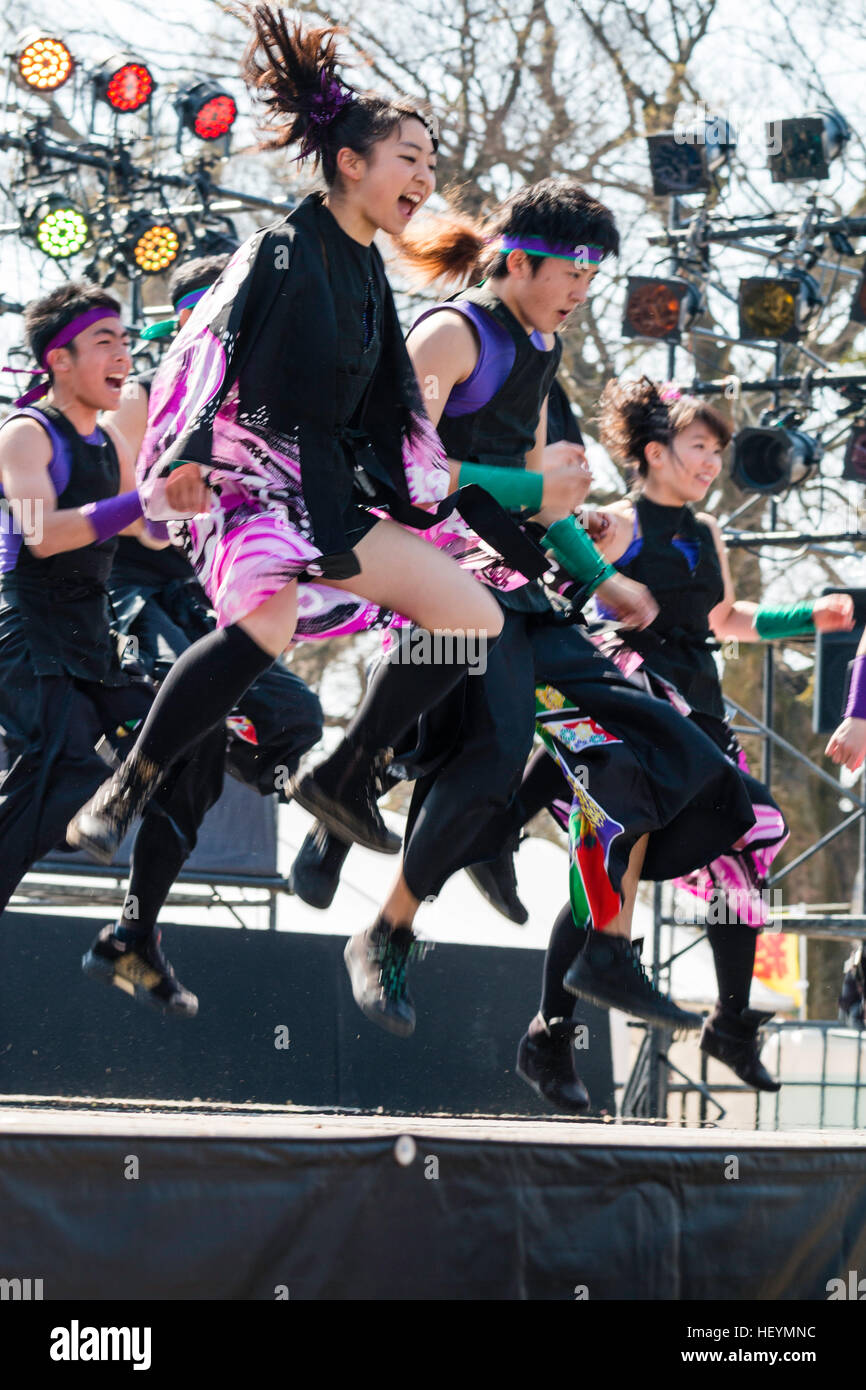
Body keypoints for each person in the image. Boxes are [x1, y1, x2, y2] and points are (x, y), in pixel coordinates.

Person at [68, 11, 571, 1005]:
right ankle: (126, 787)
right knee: (266, 622)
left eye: (432, 162)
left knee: (468, 614)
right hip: (253, 482)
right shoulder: (284, 249)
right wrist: (177, 456)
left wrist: (474, 515)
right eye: (408, 157)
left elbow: (394, 413)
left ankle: (343, 773)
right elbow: (208, 352)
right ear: (347, 160)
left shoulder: (371, 278)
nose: (424, 177)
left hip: (333, 501)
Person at [293, 181, 759, 1043]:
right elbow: (403, 477)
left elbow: (544, 506)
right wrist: (534, 488)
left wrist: (603, 582)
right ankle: (384, 920)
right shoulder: (452, 333)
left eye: (593, 275)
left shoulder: (541, 350)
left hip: (523, 591)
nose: (584, 291)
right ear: (519, 261)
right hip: (442, 589)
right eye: (574, 273)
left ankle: (597, 942)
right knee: (488, 752)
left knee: (685, 756)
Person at [516, 376, 853, 1105]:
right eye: (700, 448)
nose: (710, 464)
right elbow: (570, 574)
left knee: (748, 844)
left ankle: (730, 1024)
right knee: (610, 872)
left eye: (717, 452)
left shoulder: (709, 534)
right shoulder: (615, 523)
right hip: (627, 718)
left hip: (698, 717)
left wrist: (806, 618)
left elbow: (726, 619)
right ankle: (550, 1037)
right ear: (654, 453)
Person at [0, 281, 226, 1014]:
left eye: (126, 342)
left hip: (90, 644)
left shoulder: (113, 441)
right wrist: (145, 503)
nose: (124, 355)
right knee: (58, 778)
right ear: (59, 361)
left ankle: (136, 934)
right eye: (106, 343)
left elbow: (146, 531)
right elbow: (45, 534)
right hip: (25, 638)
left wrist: (204, 494)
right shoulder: (25, 434)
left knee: (193, 734)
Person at [105, 253, 324, 803]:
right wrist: (167, 510)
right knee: (165, 672)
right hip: (130, 589)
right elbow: (111, 509)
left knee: (299, 716)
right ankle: (135, 767)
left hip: (198, 597)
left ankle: (210, 748)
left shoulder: (261, 409)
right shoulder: (141, 396)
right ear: (187, 325)